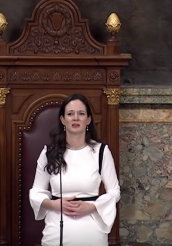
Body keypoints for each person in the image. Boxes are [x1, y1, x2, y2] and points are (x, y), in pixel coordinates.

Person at [29, 93, 121, 246]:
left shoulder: (101, 151)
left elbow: (114, 192)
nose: (76, 118)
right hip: (57, 227)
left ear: (89, 119)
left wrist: (92, 207)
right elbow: (36, 191)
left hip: (92, 227)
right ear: (63, 120)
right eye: (70, 114)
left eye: (81, 114)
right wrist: (54, 204)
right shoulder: (49, 152)